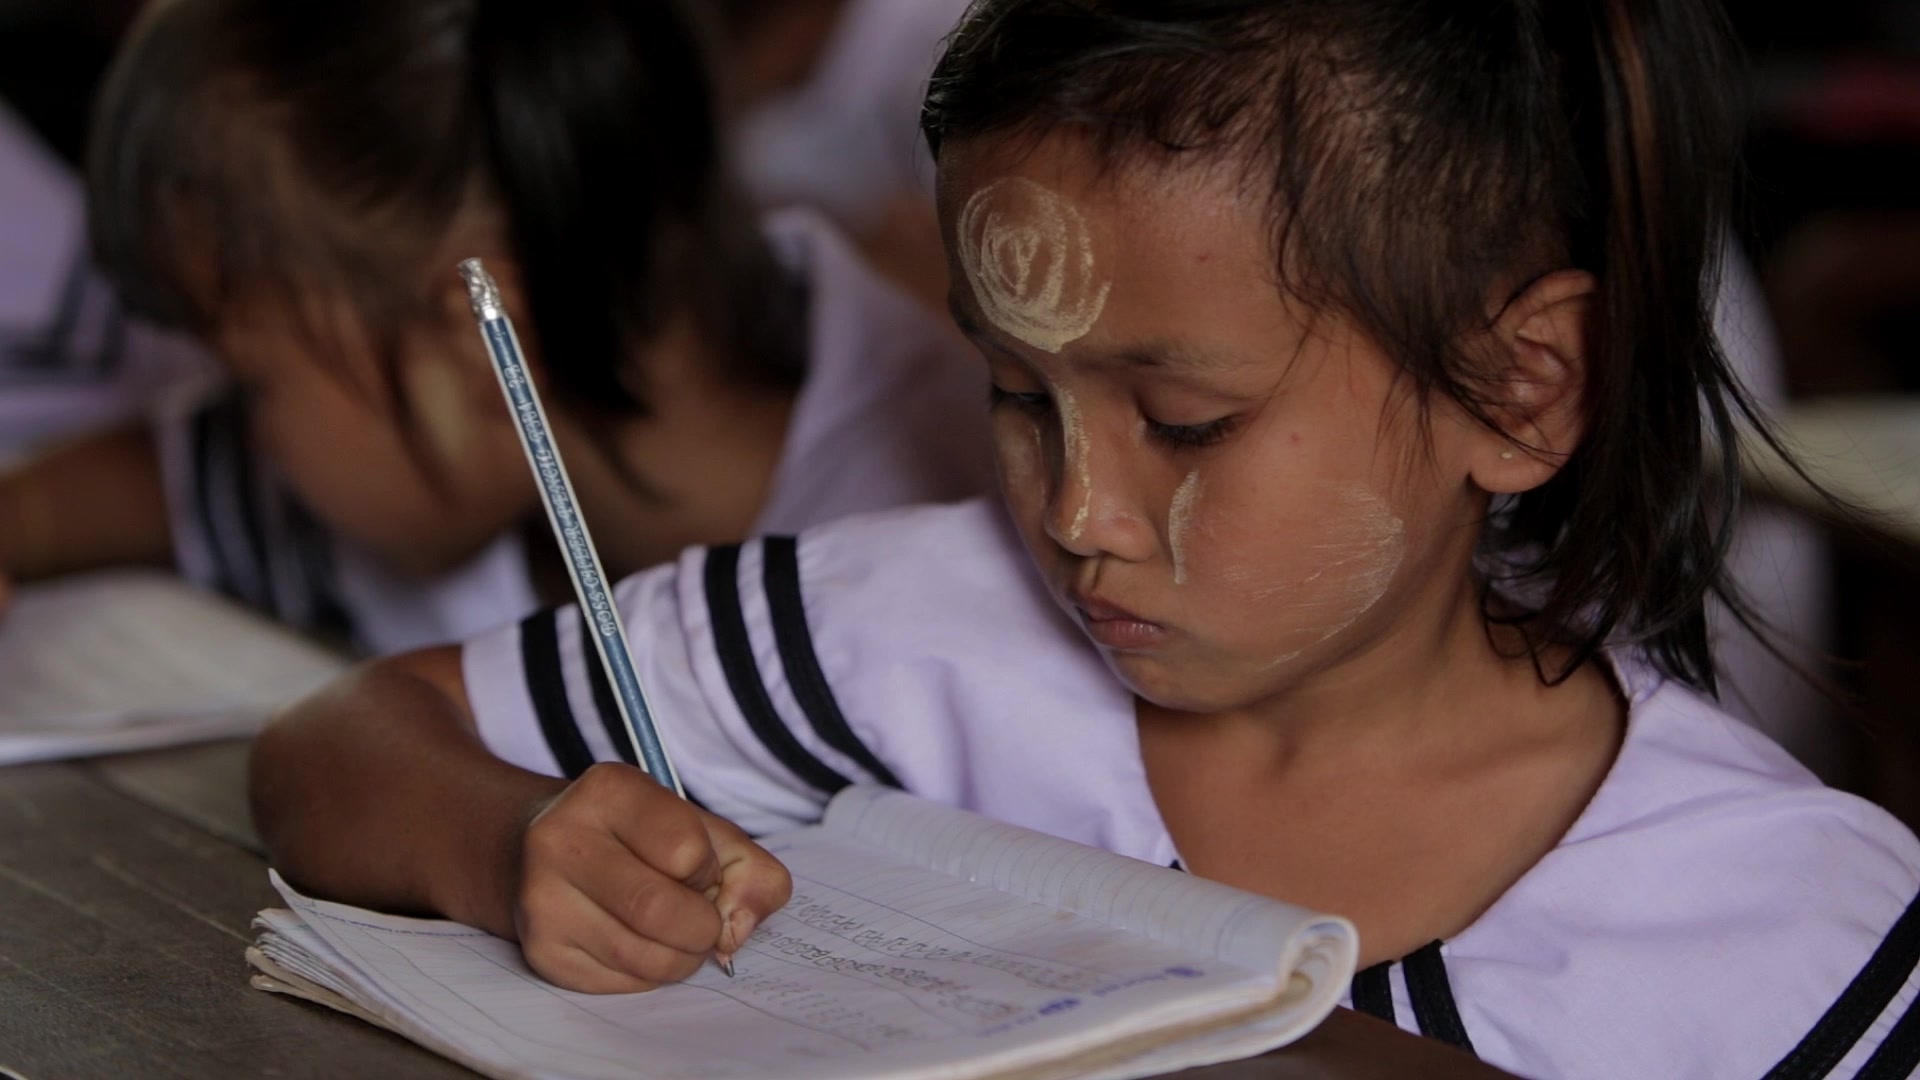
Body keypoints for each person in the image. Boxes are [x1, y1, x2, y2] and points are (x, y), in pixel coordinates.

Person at [250, 2, 1920, 1076]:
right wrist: (507, 847)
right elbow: (342, 742)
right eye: (1014, 395)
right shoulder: (898, 643)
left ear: (1517, 387)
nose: (1074, 514)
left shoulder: (1794, 937)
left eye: (1185, 425)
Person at [0, 0, 988, 651]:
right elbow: (163, 488)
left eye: (255, 384)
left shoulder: (920, 562)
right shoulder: (466, 452)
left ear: (487, 339)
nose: (249, 433)